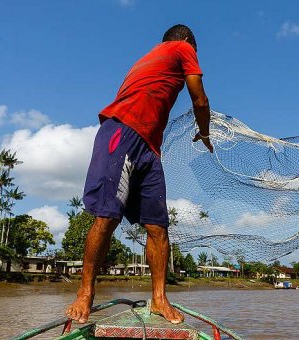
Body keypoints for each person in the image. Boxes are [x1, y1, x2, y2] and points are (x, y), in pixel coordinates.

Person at [66, 24, 212, 325]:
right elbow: (199, 98)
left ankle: (159, 299)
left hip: (150, 148)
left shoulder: (154, 58)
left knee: (158, 227)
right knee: (107, 217)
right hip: (122, 130)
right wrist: (205, 131)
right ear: (186, 42)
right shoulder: (181, 47)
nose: (194, 58)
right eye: (195, 52)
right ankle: (85, 294)